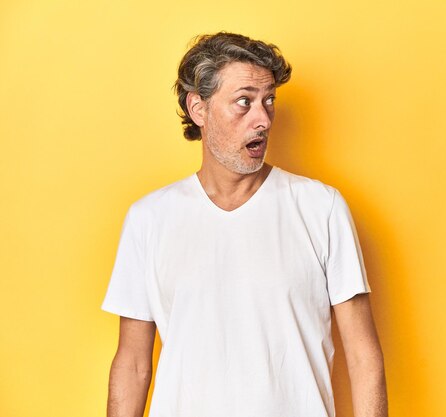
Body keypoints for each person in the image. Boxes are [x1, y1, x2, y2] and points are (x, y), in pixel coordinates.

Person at [102, 32, 387, 417]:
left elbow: (363, 354)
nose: (264, 119)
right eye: (244, 101)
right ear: (198, 109)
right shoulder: (149, 218)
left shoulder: (321, 207)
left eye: (269, 100)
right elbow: (133, 364)